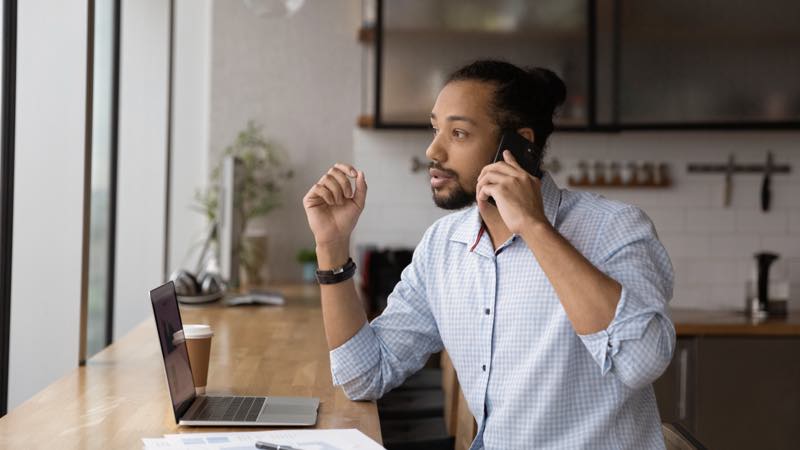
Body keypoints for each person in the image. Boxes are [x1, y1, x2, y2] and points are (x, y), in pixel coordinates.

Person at [302, 60, 675, 449]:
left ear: (518, 145)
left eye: (459, 133)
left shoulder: (613, 228)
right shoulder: (444, 246)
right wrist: (331, 246)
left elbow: (642, 361)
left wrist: (534, 227)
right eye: (435, 130)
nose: (433, 150)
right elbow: (365, 374)